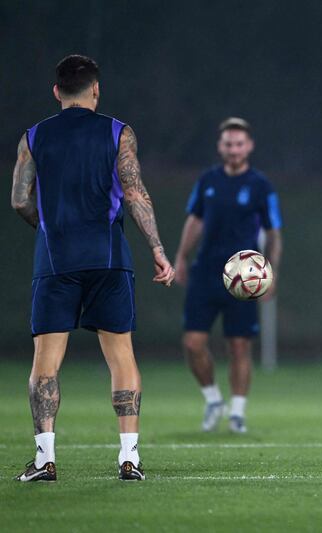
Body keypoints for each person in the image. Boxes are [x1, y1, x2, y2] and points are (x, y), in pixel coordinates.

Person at [11, 55, 175, 482]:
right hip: (108, 258)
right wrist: (157, 248)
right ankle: (130, 458)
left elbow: (19, 199)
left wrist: (47, 229)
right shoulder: (118, 133)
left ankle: (45, 458)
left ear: (56, 91)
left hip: (56, 259)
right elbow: (136, 194)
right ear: (96, 89)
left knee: (46, 362)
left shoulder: (33, 137)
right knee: (121, 356)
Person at [174, 117, 282, 434]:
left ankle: (237, 411)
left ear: (249, 146)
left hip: (244, 278)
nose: (233, 149)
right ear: (220, 147)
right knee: (193, 343)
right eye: (228, 144)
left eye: (239, 144)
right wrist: (181, 256)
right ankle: (212, 399)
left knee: (239, 346)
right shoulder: (207, 180)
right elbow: (194, 220)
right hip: (205, 272)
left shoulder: (261, 186)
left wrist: (271, 272)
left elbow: (274, 231)